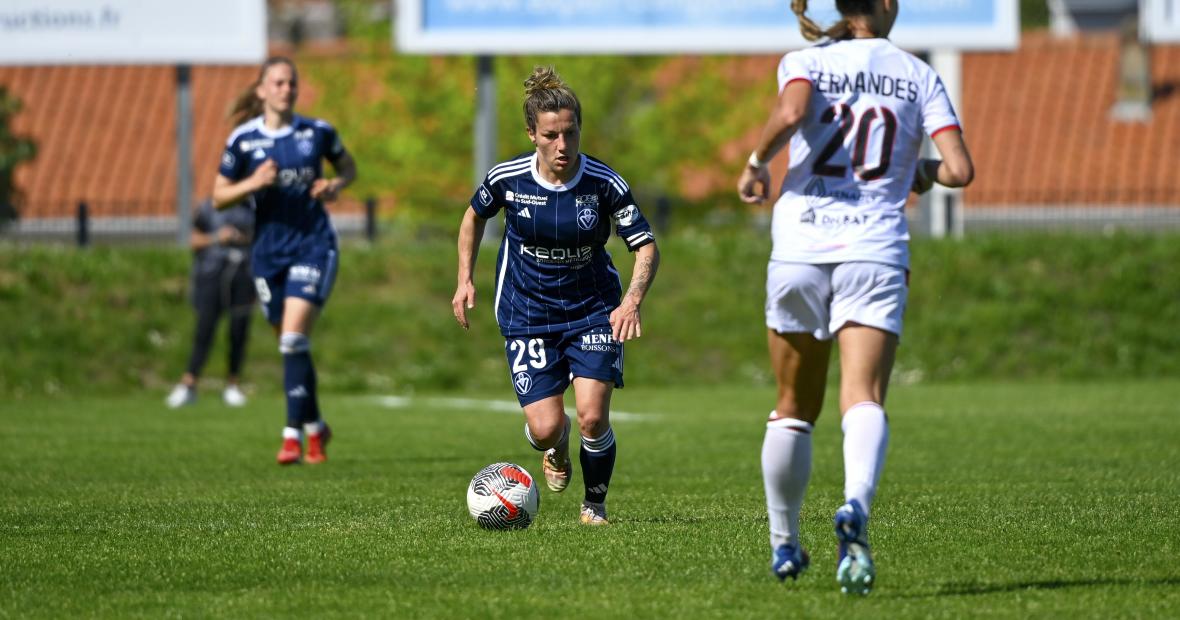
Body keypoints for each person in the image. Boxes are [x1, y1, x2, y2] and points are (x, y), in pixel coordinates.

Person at [736, 0, 974, 594]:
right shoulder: (917, 74)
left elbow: (791, 114)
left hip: (800, 247)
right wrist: (919, 171)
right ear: (888, 4)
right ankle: (855, 509)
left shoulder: (804, 61)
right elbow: (961, 170)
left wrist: (754, 162)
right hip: (874, 248)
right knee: (863, 395)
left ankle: (784, 543)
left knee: (793, 403)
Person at [452, 66, 660, 526]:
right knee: (547, 429)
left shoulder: (603, 183)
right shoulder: (508, 179)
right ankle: (556, 450)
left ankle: (595, 506)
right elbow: (472, 216)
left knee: (591, 417)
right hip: (526, 313)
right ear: (532, 134)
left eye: (570, 133)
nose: (562, 145)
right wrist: (465, 278)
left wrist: (631, 301)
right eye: (551, 135)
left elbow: (645, 245)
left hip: (592, 311)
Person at [212, 57, 357, 465]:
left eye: (291, 83)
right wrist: (254, 182)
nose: (285, 89)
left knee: (293, 339)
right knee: (291, 345)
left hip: (313, 245)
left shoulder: (317, 133)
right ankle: (317, 426)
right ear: (261, 90)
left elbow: (348, 167)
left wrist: (335, 184)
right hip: (268, 254)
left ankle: (292, 436)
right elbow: (218, 196)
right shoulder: (243, 141)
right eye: (277, 83)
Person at [165, 198, 256, 409]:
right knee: (204, 331)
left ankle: (233, 385)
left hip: (243, 274)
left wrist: (246, 239)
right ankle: (189, 384)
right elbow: (192, 239)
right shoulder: (208, 208)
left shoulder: (255, 208)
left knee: (238, 332)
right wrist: (218, 237)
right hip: (211, 274)